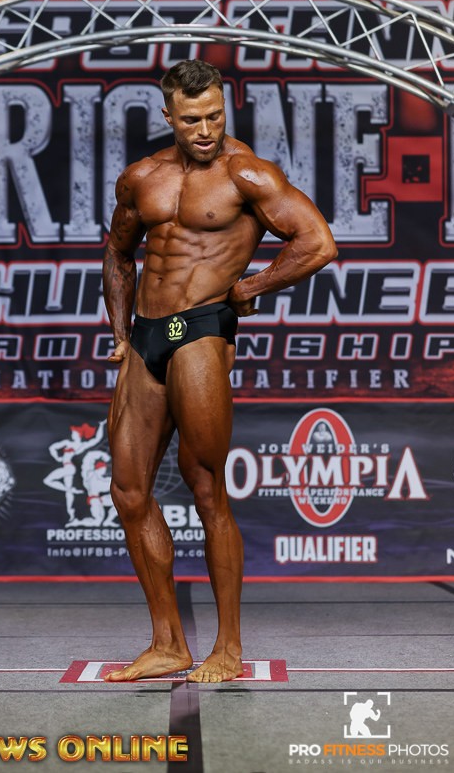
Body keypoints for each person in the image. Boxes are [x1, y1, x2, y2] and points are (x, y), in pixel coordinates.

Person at [102, 59, 337, 683]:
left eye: (214, 116)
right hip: (146, 336)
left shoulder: (247, 173)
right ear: (168, 116)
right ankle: (168, 643)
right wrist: (121, 335)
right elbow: (118, 254)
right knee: (128, 490)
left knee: (206, 488)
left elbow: (317, 242)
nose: (205, 130)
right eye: (191, 120)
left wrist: (248, 287)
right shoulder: (142, 178)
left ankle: (227, 648)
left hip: (201, 328)